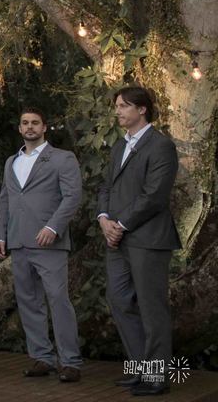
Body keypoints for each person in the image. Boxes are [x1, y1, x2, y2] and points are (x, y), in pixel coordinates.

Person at [97, 86, 180, 397]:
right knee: (119, 300)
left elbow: (154, 195)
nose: (117, 111)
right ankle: (139, 369)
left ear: (142, 109)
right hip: (116, 239)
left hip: (149, 239)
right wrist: (104, 219)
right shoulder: (119, 145)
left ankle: (157, 376)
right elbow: (106, 187)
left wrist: (121, 224)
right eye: (117, 106)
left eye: (123, 106)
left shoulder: (161, 146)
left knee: (151, 307)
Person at [0, 107, 83, 382]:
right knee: (28, 302)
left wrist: (53, 227)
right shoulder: (11, 162)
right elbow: (6, 199)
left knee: (58, 300)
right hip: (18, 241)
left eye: (35, 123)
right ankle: (42, 358)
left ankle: (70, 361)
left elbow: (72, 196)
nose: (29, 127)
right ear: (20, 128)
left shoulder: (62, 158)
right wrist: (0, 235)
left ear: (44, 127)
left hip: (49, 242)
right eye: (25, 123)